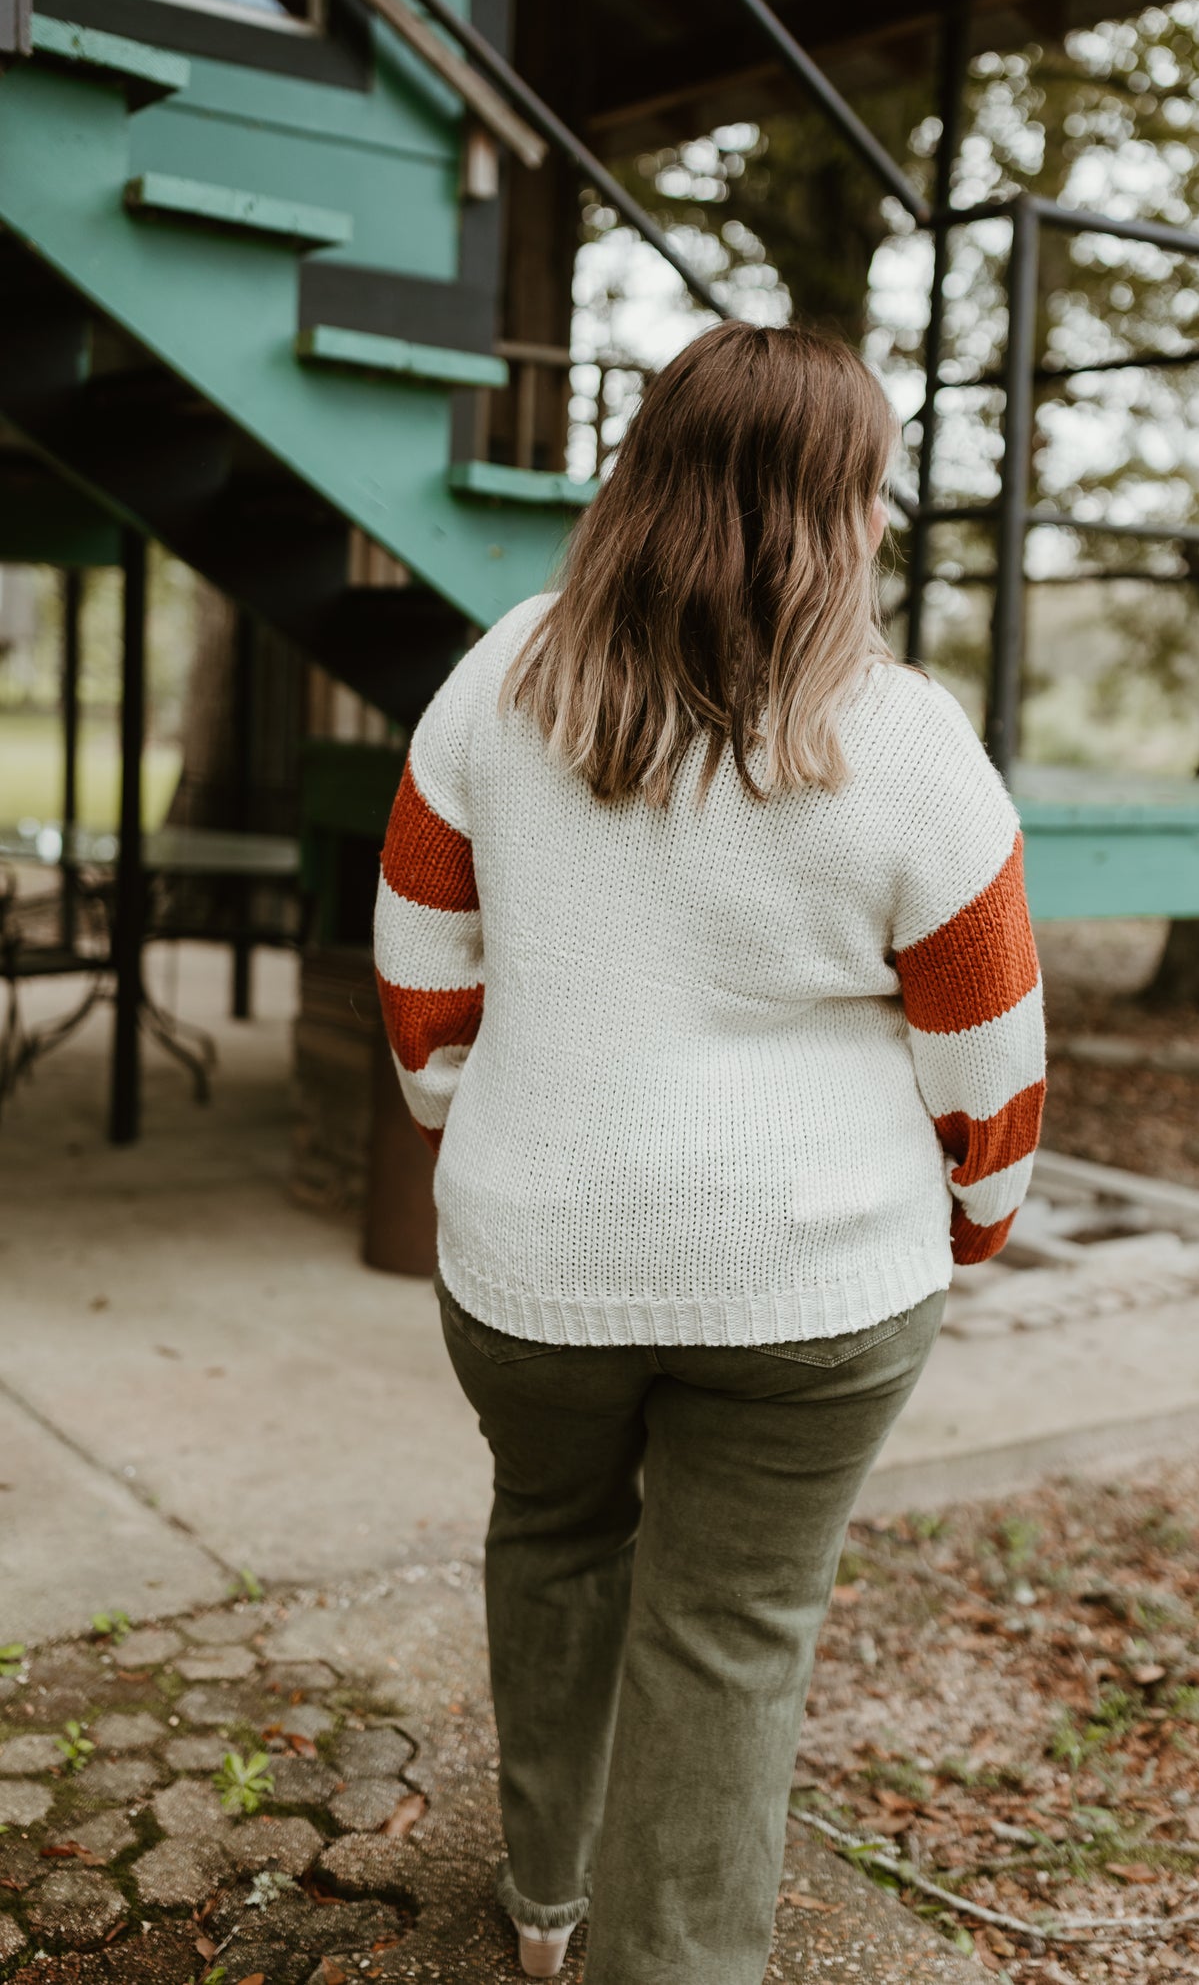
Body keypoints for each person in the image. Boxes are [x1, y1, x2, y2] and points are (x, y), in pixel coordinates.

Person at [373, 319, 1044, 1983]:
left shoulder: (502, 674)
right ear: (849, 506)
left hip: (529, 1258)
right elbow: (990, 1046)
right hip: (818, 1282)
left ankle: (544, 1911)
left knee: (552, 1534)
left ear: (641, 474)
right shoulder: (909, 742)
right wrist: (973, 1221)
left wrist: (484, 1129)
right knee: (728, 1638)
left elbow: (417, 976)